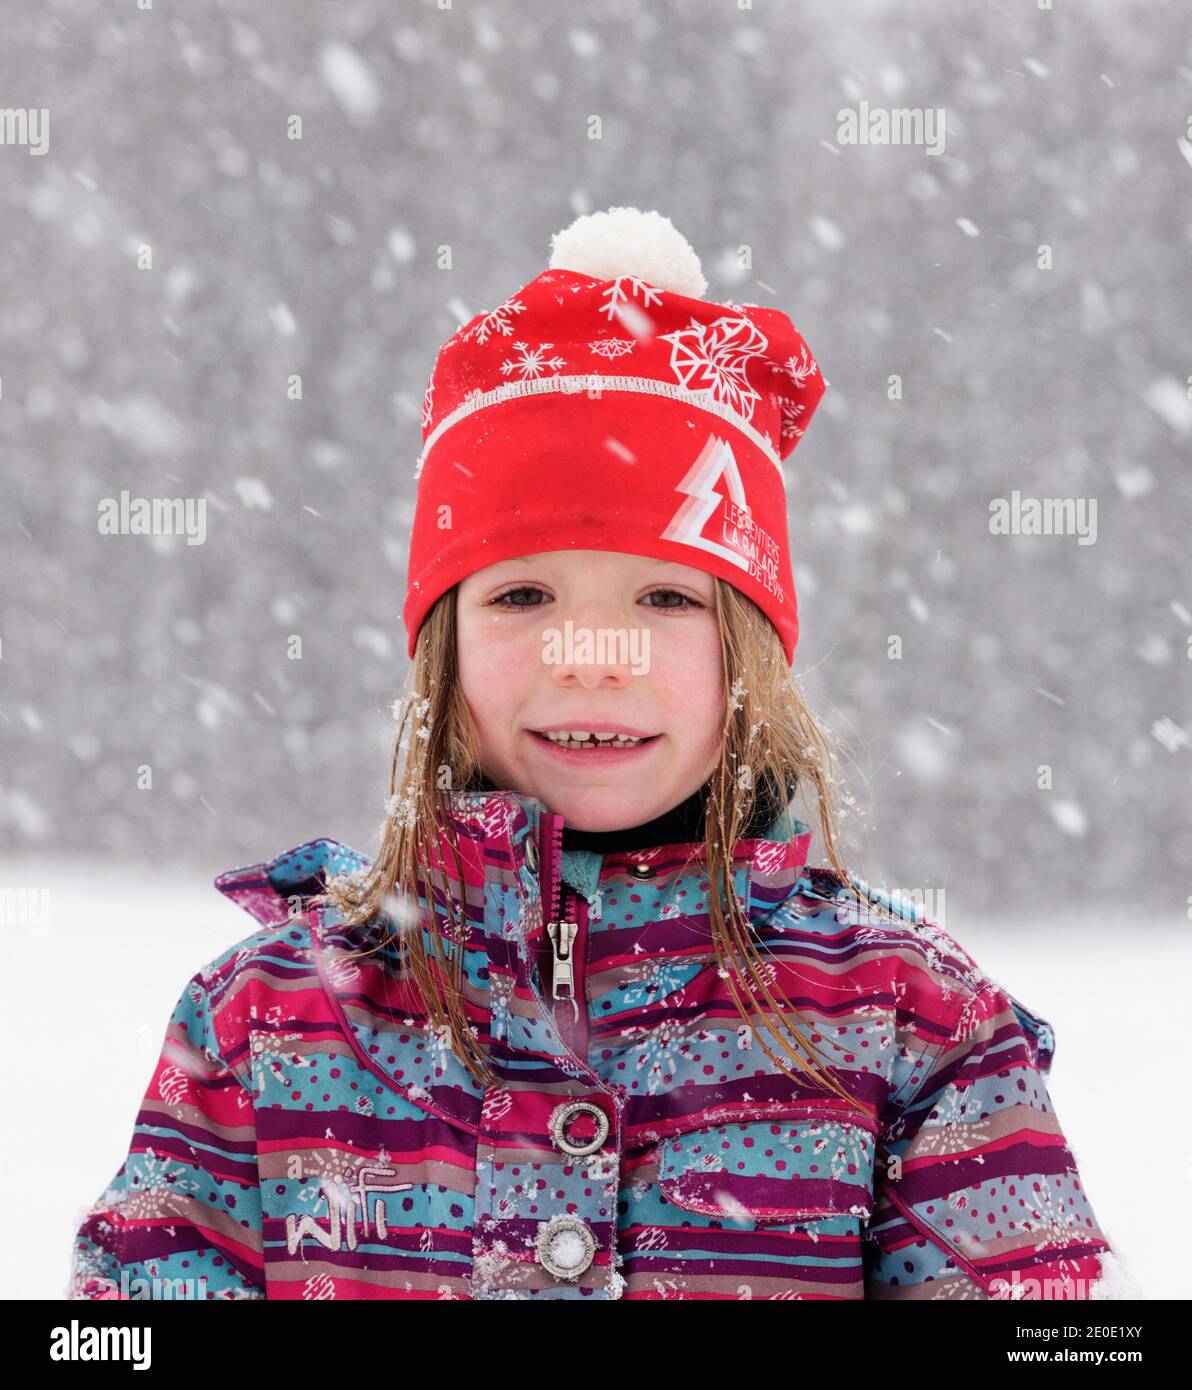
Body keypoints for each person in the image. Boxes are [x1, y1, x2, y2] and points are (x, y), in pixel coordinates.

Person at [70, 206, 1114, 1301]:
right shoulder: (270, 1024)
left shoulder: (909, 1022)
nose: (591, 655)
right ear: (445, 651)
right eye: (523, 594)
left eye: (665, 596)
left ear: (746, 654)